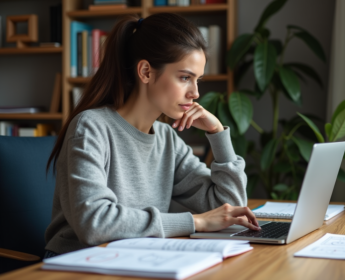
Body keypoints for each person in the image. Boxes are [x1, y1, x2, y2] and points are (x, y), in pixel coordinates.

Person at [44, 13, 260, 259]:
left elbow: (228, 206)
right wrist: (196, 222)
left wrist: (217, 134)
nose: (196, 93)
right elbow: (94, 223)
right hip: (76, 262)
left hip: (136, 259)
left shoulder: (167, 139)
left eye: (197, 80)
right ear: (146, 72)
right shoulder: (91, 127)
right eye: (185, 78)